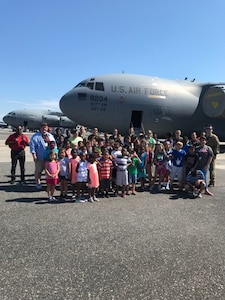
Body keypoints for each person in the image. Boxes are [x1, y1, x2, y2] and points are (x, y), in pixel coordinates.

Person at [30, 123, 55, 189]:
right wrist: (34, 156)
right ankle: (38, 182)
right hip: (40, 157)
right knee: (39, 171)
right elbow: (32, 147)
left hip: (49, 157)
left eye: (45, 128)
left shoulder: (50, 135)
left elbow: (54, 145)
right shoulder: (35, 136)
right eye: (43, 127)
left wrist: (54, 156)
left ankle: (49, 183)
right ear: (40, 128)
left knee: (49, 170)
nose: (44, 129)